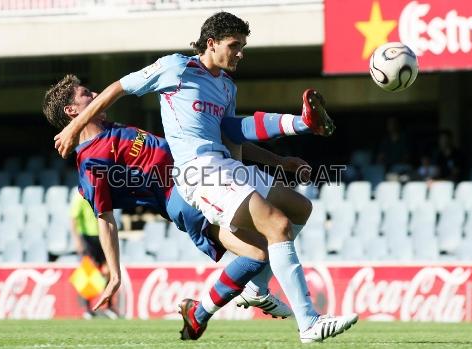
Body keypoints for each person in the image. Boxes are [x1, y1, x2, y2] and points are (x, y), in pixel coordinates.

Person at [52, 12, 356, 343]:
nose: (241, 53)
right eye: (234, 45)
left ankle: (234, 298)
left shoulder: (225, 86)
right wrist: (73, 128)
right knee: (274, 229)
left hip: (224, 167)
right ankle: (308, 323)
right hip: (195, 179)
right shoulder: (173, 68)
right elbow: (119, 88)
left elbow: (233, 131)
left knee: (298, 209)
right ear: (211, 44)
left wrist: (288, 143)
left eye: (243, 45)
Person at [43, 74, 311, 322]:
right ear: (72, 111)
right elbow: (105, 218)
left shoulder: (112, 130)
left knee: (272, 235)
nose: (97, 94)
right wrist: (114, 275)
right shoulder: (91, 161)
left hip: (202, 178)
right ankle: (217, 307)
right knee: (259, 251)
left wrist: (278, 161)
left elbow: (224, 143)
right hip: (182, 197)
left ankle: (210, 309)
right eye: (87, 93)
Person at [70, 191, 118, 319]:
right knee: (89, 272)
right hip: (88, 238)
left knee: (108, 270)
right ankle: (87, 309)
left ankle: (108, 307)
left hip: (103, 235)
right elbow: (73, 218)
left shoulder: (101, 193)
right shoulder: (80, 196)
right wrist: (77, 240)